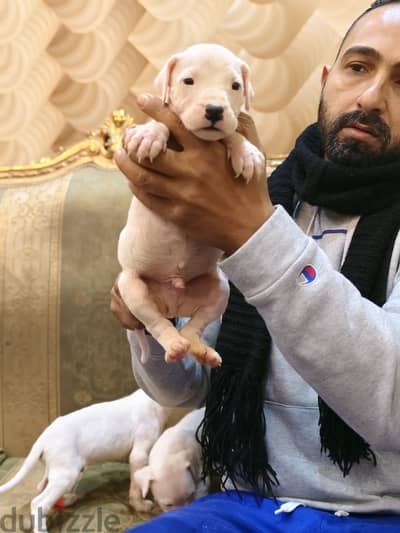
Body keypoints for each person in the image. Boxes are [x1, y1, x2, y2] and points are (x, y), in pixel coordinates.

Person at [111, 0, 400, 531]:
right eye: (358, 67)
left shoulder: (248, 209)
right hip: (242, 501)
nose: (370, 97)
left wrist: (256, 233)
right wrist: (151, 323)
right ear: (326, 78)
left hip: (381, 513)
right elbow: (187, 388)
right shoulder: (263, 191)